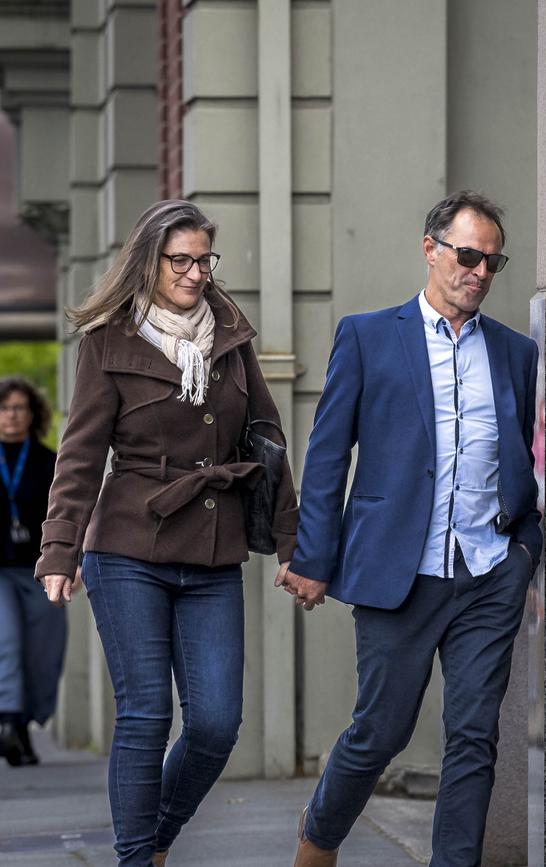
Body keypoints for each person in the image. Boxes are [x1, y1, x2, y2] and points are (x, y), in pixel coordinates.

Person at [279, 190, 543, 867]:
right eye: (467, 255)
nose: (479, 271)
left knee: (474, 734)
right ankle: (320, 832)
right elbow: (330, 453)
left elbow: (527, 457)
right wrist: (313, 556)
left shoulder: (514, 353)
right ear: (431, 249)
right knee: (381, 731)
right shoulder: (369, 336)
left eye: (493, 261)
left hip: (488, 573)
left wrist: (524, 550)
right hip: (399, 573)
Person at [35, 200, 298, 867]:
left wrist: (298, 545)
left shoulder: (230, 337)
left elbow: (268, 442)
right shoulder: (109, 341)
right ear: (149, 262)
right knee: (147, 715)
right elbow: (80, 455)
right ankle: (135, 859)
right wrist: (59, 548)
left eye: (204, 258)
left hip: (212, 552)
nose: (194, 272)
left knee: (214, 723)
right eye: (180, 259)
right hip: (128, 548)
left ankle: (154, 842)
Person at [0, 376, 64, 767]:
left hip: (39, 571)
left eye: (19, 407)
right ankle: (7, 723)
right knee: (7, 644)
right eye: (5, 408)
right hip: (0, 573)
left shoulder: (47, 461)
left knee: (44, 653)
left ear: (32, 414)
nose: (11, 415)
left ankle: (24, 725)